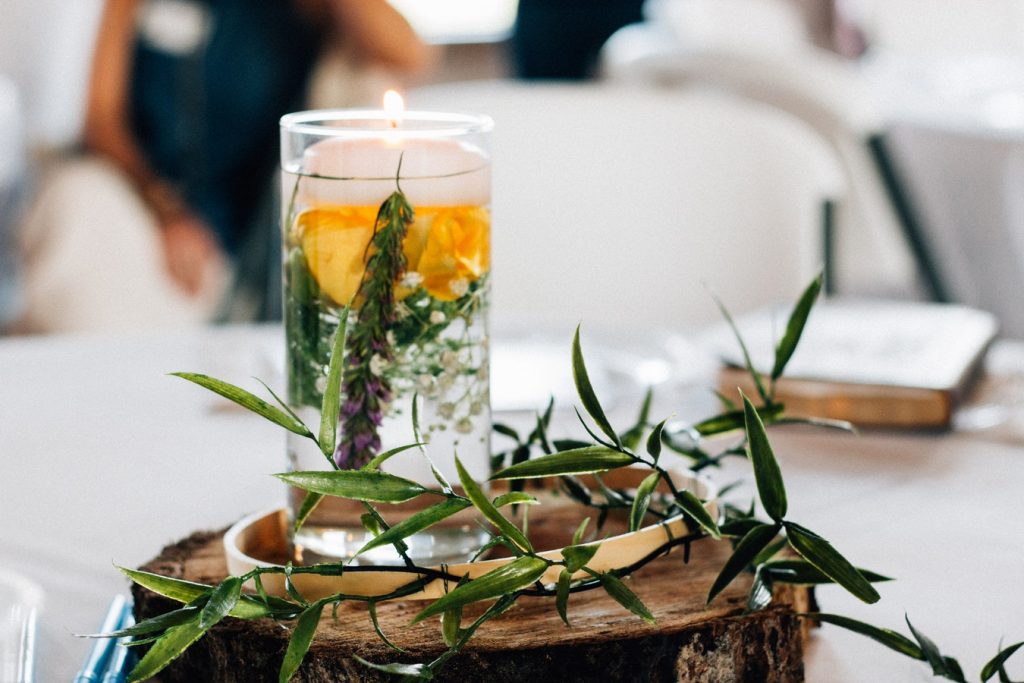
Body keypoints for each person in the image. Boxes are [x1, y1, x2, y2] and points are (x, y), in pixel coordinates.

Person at [15, 0, 428, 333]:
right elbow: (100, 118)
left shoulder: (304, 9)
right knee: (75, 201)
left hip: (242, 243)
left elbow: (408, 53)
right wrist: (165, 209)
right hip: (143, 207)